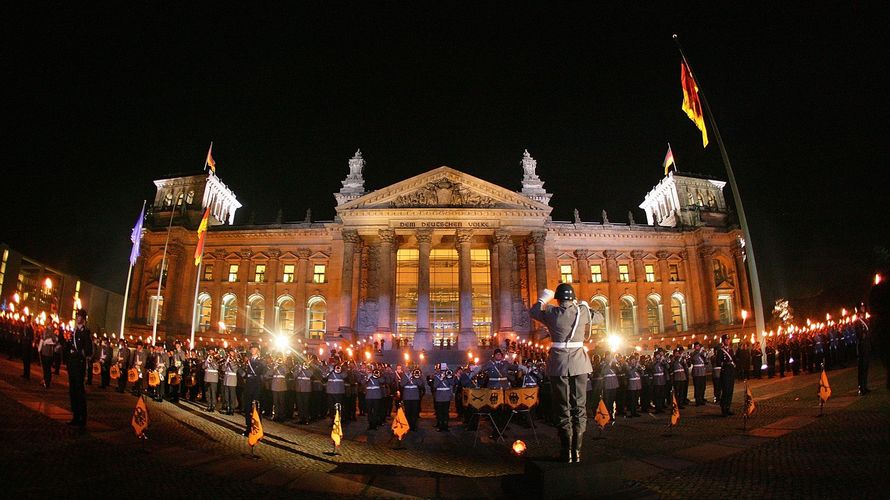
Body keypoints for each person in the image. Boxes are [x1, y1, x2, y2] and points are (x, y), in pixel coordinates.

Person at [529, 283, 592, 463]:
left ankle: (567, 453)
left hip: (559, 364)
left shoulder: (552, 312)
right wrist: (585, 306)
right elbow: (600, 317)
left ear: (557, 298)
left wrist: (542, 298)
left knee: (563, 406)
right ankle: (577, 452)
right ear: (572, 298)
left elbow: (534, 312)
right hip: (580, 364)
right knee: (579, 406)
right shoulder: (582, 312)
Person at [66, 309, 93, 428]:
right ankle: (75, 415)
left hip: (79, 365)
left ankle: (82, 417)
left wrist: (77, 353)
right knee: (72, 391)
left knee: (79, 391)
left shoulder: (85, 333)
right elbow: (69, 346)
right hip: (72, 364)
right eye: (77, 316)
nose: (78, 318)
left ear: (84, 319)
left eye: (80, 316)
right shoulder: (74, 331)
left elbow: (88, 351)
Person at [241, 343, 267, 436]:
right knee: (247, 408)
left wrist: (249, 364)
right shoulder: (247, 361)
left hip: (256, 386)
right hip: (248, 385)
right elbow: (244, 372)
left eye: (254, 348)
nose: (252, 350)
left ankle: (257, 428)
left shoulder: (261, 361)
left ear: (258, 350)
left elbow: (258, 371)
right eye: (251, 348)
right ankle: (248, 428)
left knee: (256, 408)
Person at [714, 334, 736, 416]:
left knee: (730, 390)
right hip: (725, 372)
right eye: (726, 340)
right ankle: (724, 408)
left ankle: (728, 407)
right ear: (723, 341)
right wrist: (726, 363)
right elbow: (718, 362)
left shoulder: (730, 350)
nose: (728, 341)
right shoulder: (721, 351)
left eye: (728, 339)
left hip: (731, 372)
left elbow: (733, 359)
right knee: (726, 390)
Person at [37, 324, 59, 388]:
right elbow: (42, 339)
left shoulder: (52, 333)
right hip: (44, 351)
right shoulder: (44, 331)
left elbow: (55, 340)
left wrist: (47, 341)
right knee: (44, 368)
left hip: (49, 353)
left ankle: (47, 382)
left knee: (47, 368)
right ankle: (44, 380)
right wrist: (39, 348)